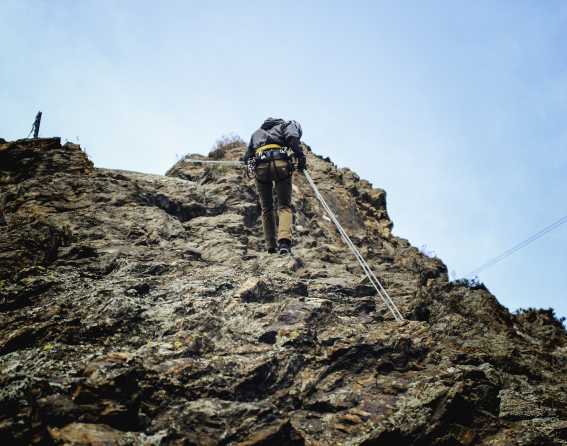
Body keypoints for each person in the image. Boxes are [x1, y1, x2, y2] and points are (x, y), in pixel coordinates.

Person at [244, 118, 307, 254]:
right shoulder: (287, 125)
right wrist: (300, 157)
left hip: (261, 168)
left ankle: (271, 245)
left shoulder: (256, 133)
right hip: (280, 164)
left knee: (266, 208)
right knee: (284, 206)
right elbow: (292, 138)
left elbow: (247, 156)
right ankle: (284, 243)